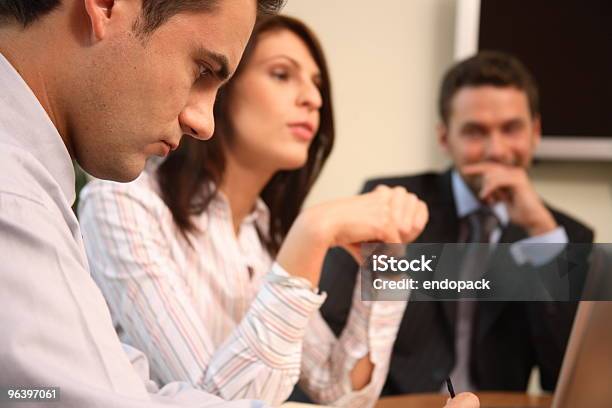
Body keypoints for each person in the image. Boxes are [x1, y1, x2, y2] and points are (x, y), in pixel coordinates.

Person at [78, 15, 428, 408]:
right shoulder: (123, 203)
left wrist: (388, 265)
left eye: (316, 84)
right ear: (220, 85)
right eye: (281, 74)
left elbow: (344, 392)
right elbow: (212, 401)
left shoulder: (261, 235)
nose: (313, 99)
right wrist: (314, 231)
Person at [0, 0, 286, 407]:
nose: (204, 123)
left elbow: (107, 384)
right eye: (203, 70)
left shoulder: (264, 230)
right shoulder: (29, 199)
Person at [319, 51, 594, 396]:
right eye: (475, 132)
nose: (496, 149)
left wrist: (542, 234)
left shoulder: (564, 236)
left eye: (511, 129)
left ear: (535, 132)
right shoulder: (390, 205)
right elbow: (329, 331)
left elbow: (567, 377)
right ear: (445, 138)